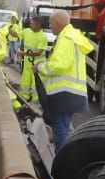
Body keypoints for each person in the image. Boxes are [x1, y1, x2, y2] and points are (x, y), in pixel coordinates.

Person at [38, 9, 95, 147]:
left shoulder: (66, 39)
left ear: (58, 23)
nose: (50, 26)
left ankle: (61, 163)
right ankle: (67, 158)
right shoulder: (72, 36)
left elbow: (59, 65)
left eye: (51, 23)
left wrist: (40, 67)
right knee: (65, 128)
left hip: (64, 94)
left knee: (61, 131)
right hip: (72, 93)